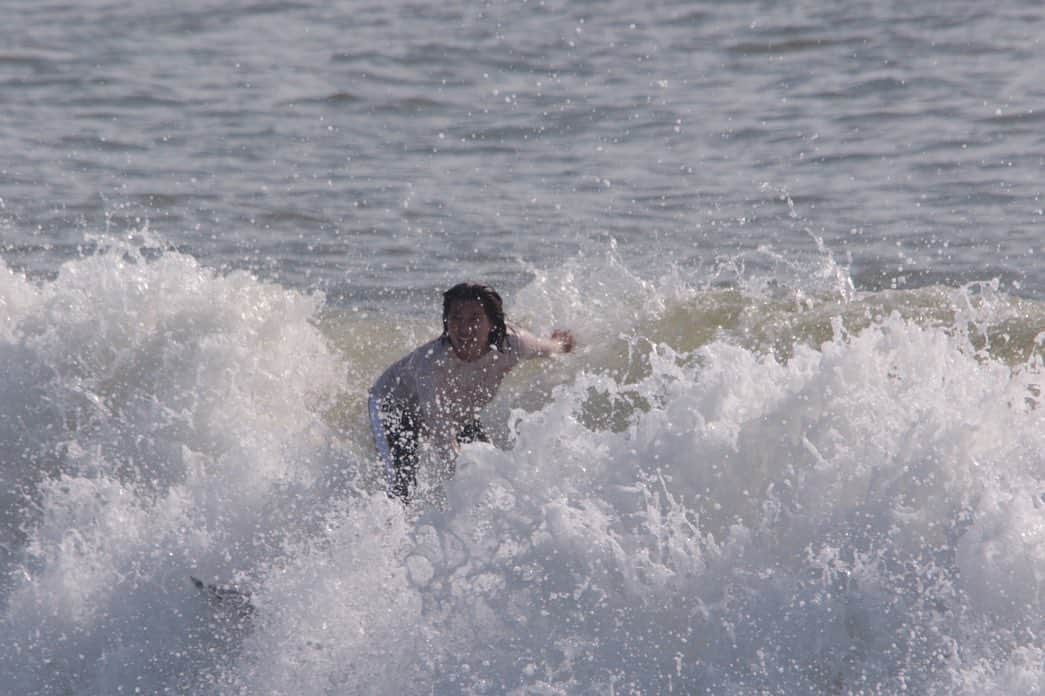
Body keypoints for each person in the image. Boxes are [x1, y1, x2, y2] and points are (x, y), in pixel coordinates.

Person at [368, 282, 574, 502]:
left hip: (458, 412)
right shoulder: (432, 366)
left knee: (492, 475)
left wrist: (563, 343)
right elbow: (443, 442)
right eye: (456, 318)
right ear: (446, 322)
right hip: (393, 406)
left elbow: (552, 347)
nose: (464, 328)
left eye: (475, 319)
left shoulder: (513, 344)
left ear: (494, 323)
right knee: (402, 486)